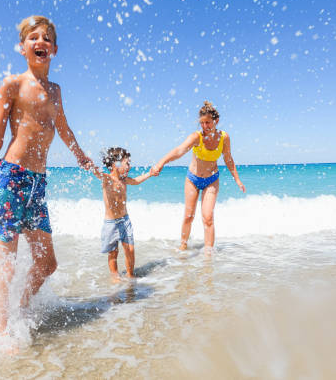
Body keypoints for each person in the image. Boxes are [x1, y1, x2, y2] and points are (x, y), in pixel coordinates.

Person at [0, 15, 96, 335]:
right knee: (6, 265)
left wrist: (83, 159)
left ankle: (21, 307)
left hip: (37, 185)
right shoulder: (13, 84)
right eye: (33, 38)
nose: (41, 42)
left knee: (47, 264)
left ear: (54, 49)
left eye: (47, 38)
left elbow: (63, 129)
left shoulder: (56, 91)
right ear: (23, 47)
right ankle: (2, 331)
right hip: (9, 179)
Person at [151, 101, 245, 251]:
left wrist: (238, 180)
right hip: (193, 179)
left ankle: (208, 254)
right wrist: (161, 163)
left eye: (208, 122)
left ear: (216, 121)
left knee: (208, 218)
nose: (205, 126)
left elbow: (228, 159)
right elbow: (179, 150)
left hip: (212, 180)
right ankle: (183, 245)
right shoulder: (197, 137)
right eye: (202, 123)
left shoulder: (224, 138)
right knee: (189, 216)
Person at [97, 147, 152, 282]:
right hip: (111, 223)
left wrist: (149, 174)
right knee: (113, 252)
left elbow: (137, 180)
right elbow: (97, 173)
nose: (130, 166)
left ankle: (130, 274)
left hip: (125, 220)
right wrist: (90, 166)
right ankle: (115, 275)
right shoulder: (107, 179)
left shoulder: (124, 180)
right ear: (115, 164)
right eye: (127, 163)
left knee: (130, 249)